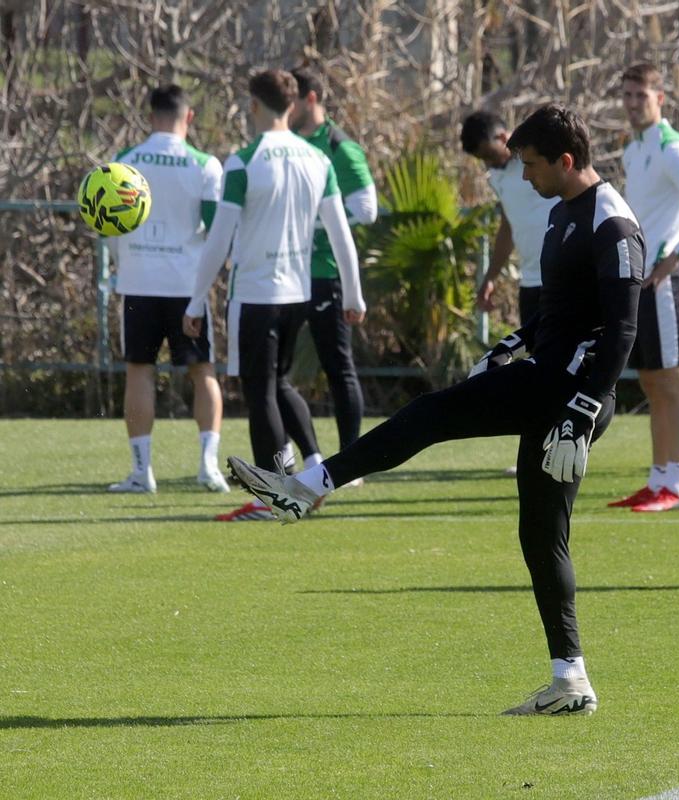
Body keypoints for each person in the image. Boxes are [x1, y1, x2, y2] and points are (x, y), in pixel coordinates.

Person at [227, 104, 644, 715]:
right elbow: (560, 313)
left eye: (530, 165)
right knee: (541, 535)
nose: (522, 176)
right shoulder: (561, 215)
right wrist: (511, 342)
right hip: (552, 385)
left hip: (569, 395)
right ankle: (571, 681)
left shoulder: (613, 221)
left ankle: (308, 486)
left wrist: (580, 412)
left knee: (429, 415)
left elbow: (623, 330)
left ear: (566, 160)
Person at [184, 69, 366, 521]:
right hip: (299, 292)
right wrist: (354, 294)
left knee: (260, 389)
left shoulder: (244, 162)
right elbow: (341, 233)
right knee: (279, 382)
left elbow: (220, 239)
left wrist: (194, 300)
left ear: (254, 106)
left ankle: (272, 498)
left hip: (257, 291)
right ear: (293, 105)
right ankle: (313, 471)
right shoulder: (317, 159)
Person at [609, 62, 679, 513]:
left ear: (661, 98)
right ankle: (657, 479)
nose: (633, 103)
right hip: (642, 279)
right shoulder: (634, 149)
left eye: (641, 95)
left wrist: (677, 260)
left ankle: (675, 484)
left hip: (666, 280)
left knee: (673, 381)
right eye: (628, 95)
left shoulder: (672, 148)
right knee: (652, 381)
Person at [107, 84, 228, 495]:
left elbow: (108, 227)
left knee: (139, 371)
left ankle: (142, 472)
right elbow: (216, 233)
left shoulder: (124, 162)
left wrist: (122, 265)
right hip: (186, 287)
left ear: (149, 115)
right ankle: (208, 468)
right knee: (202, 371)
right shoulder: (204, 165)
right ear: (189, 117)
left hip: (138, 283)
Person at [273, 66, 377, 471]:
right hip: (286, 274)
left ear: (311, 99)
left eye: (293, 100)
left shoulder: (338, 146)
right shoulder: (287, 143)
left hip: (325, 274)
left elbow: (366, 209)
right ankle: (287, 461)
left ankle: (351, 464)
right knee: (274, 372)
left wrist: (312, 220)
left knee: (338, 368)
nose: (287, 108)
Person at [460, 110, 558, 328]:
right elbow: (508, 225)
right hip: (530, 281)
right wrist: (490, 277)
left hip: (563, 278)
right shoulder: (496, 174)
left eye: (490, 155)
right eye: (482, 159)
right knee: (535, 358)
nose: (488, 164)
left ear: (504, 138)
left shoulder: (541, 157)